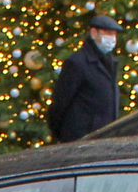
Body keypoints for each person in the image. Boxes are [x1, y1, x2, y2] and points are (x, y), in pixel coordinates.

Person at [47, 14, 123, 144]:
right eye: (107, 33)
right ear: (94, 33)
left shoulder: (110, 62)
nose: (112, 38)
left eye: (114, 34)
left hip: (104, 137)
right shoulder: (77, 62)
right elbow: (61, 102)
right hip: (82, 138)